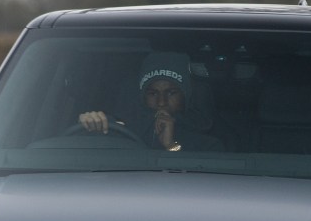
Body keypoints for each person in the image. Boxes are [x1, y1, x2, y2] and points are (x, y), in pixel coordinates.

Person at [77, 52, 223, 151]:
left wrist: (171, 146)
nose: (161, 102)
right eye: (152, 93)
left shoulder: (208, 144)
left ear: (185, 96)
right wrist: (89, 126)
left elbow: (202, 186)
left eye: (171, 93)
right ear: (142, 96)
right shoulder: (120, 129)